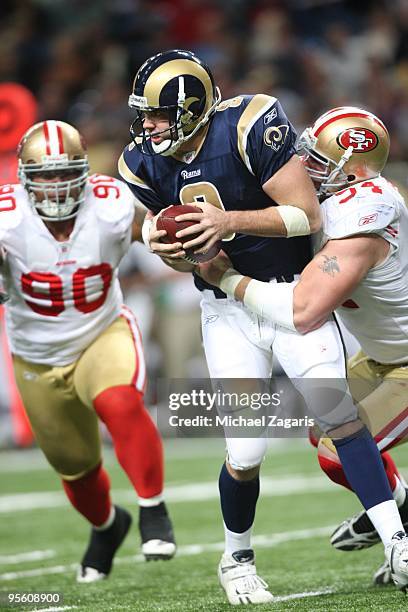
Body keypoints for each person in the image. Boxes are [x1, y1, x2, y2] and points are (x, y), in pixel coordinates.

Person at [119, 51, 408, 602]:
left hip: (294, 291)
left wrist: (225, 223)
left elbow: (306, 215)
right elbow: (186, 256)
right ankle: (237, 558)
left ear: (191, 110)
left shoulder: (251, 124)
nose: (146, 126)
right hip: (227, 313)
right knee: (246, 451)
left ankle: (398, 541)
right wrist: (167, 246)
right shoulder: (141, 163)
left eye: (157, 114)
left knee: (338, 418)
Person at [197, 106, 408, 589]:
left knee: (338, 448)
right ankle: (399, 511)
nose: (304, 166)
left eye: (318, 160)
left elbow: (303, 310)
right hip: (379, 355)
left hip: (404, 363)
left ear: (352, 169)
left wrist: (225, 277)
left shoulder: (365, 211)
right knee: (322, 427)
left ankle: (400, 529)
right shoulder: (345, 199)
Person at [0, 119, 176, 583]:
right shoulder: (7, 217)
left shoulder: (111, 203)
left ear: (82, 170)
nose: (56, 185)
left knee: (118, 400)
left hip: (102, 332)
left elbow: (153, 234)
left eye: (65, 173)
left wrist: (169, 238)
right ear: (25, 178)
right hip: (36, 353)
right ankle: (107, 527)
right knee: (75, 469)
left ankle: (153, 510)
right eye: (45, 175)